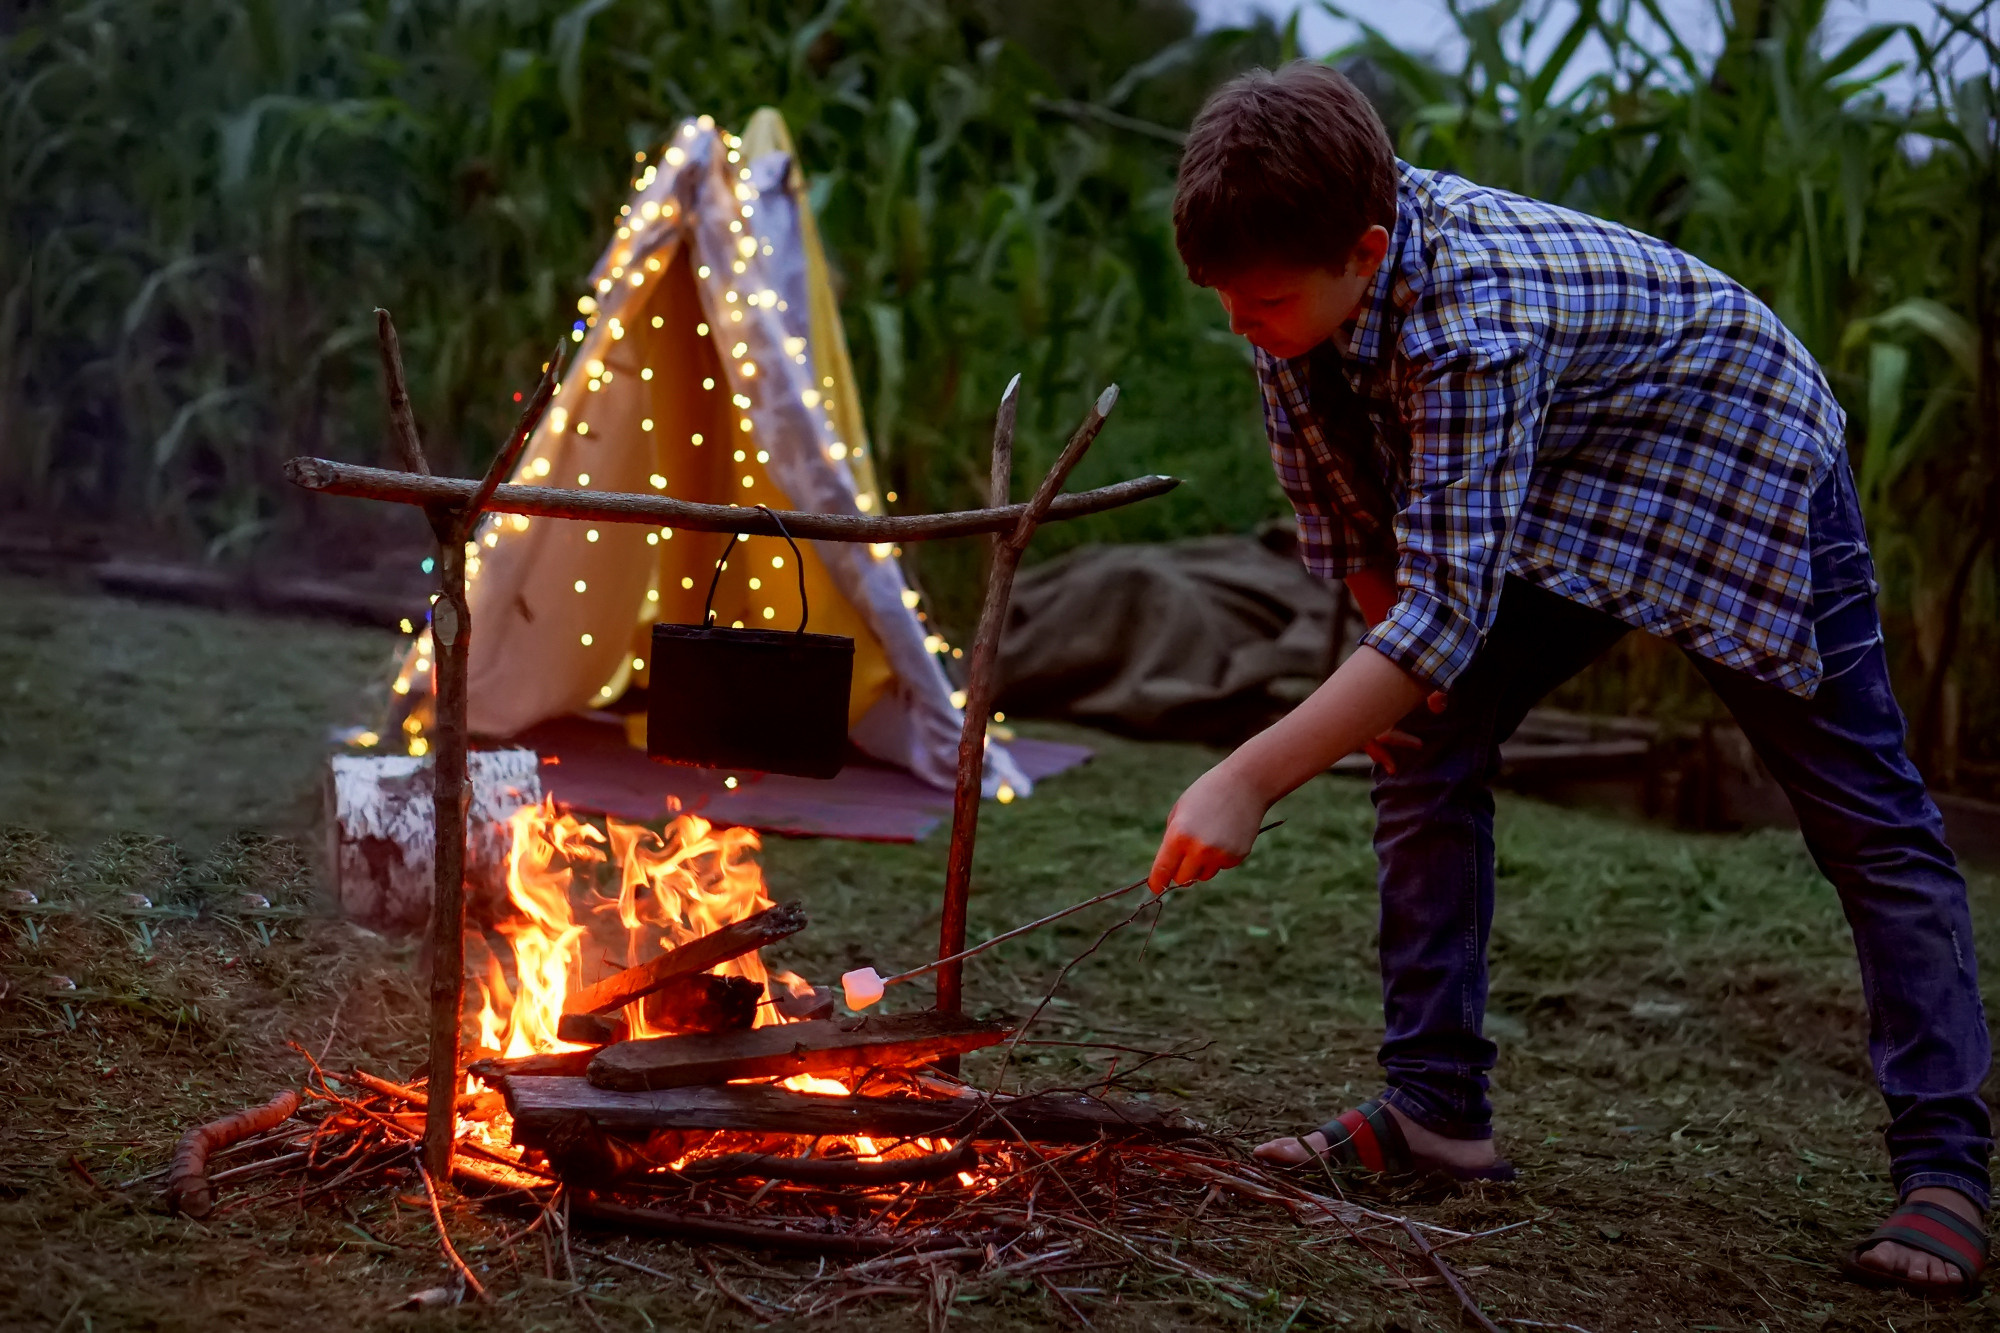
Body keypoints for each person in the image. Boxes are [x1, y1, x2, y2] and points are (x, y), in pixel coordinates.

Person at [1149, 59, 1990, 1297]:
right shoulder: (1289, 295)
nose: (1240, 325)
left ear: (1366, 249)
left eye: (1261, 301)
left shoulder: (1469, 321)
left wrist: (1247, 775)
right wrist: (1407, 708)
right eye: (1225, 300)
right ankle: (1436, 1107)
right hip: (1555, 492)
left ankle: (1947, 1172)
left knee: (1865, 817)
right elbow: (1362, 543)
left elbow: (1438, 621)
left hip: (1733, 457)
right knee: (1419, 745)